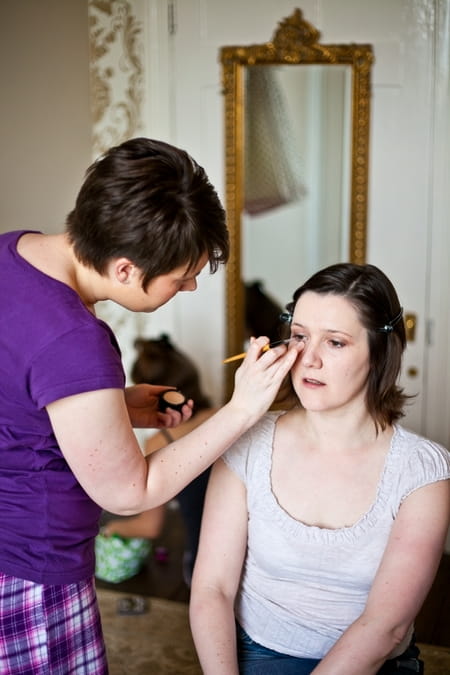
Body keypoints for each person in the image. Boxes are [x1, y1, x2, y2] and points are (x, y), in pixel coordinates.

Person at [0, 137, 300, 674]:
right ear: (123, 268)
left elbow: (17, 393)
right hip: (30, 568)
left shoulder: (11, 253)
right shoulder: (74, 341)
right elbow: (130, 492)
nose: (187, 288)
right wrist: (242, 408)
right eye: (181, 278)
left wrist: (109, 405)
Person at [190, 262, 450, 675]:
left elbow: (384, 626)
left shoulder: (422, 472)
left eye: (335, 343)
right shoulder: (248, 443)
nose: (308, 359)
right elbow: (212, 589)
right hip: (257, 652)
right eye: (299, 337)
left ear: (380, 352)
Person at [99, 333, 219, 585]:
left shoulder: (160, 443)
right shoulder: (227, 417)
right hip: (254, 556)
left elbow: (150, 526)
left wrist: (111, 530)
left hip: (207, 562)